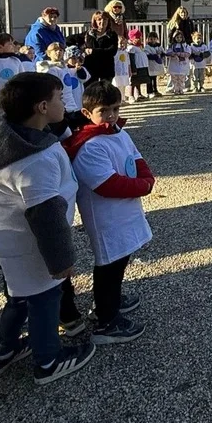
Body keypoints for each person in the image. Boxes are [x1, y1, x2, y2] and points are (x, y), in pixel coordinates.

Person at [0, 73, 95, 384]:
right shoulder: (35, 160)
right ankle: (48, 360)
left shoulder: (6, 138)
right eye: (59, 97)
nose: (63, 102)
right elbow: (44, 212)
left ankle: (3, 349)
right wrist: (60, 259)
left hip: (6, 238)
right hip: (30, 243)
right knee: (45, 297)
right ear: (43, 106)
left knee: (17, 296)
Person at [62, 81, 152, 345]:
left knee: (121, 258)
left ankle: (110, 301)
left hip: (126, 209)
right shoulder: (89, 145)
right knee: (109, 263)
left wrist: (145, 178)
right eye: (104, 110)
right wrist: (142, 185)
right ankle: (106, 318)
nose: (111, 115)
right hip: (106, 216)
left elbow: (136, 159)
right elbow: (105, 184)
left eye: (115, 108)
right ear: (87, 113)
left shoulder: (117, 132)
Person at [37, 42, 81, 115]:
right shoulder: (49, 69)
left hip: (71, 105)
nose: (58, 52)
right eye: (55, 50)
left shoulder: (64, 66)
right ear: (48, 53)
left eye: (61, 50)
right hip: (61, 108)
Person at [0, 33, 25, 109]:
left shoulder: (16, 60)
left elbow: (22, 79)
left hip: (14, 102)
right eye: (10, 44)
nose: (14, 46)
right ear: (0, 47)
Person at [84, 10, 119, 85]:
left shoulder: (112, 35)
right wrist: (82, 49)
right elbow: (69, 40)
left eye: (105, 19)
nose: (102, 21)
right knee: (91, 92)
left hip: (106, 68)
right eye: (99, 19)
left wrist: (93, 51)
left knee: (105, 92)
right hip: (91, 68)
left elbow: (112, 51)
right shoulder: (88, 34)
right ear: (95, 21)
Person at [125, 29, 149, 103]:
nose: (138, 39)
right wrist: (133, 69)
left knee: (139, 81)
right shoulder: (131, 48)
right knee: (133, 82)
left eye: (139, 37)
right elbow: (131, 59)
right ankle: (131, 95)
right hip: (136, 67)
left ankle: (139, 94)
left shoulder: (140, 47)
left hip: (142, 66)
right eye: (136, 38)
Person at [144, 32, 164, 97]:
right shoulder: (147, 47)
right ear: (148, 39)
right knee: (149, 78)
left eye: (154, 39)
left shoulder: (158, 46)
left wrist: (161, 54)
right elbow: (147, 55)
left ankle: (155, 90)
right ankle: (149, 92)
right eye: (151, 39)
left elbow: (163, 52)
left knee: (155, 78)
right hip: (150, 65)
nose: (153, 41)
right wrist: (154, 56)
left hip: (156, 65)